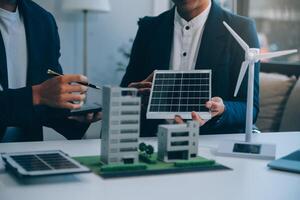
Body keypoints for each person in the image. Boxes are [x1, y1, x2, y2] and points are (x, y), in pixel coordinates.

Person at [121, 0, 260, 137]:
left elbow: (249, 107)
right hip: (153, 141)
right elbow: (126, 92)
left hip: (211, 142)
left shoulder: (242, 28)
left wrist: (223, 110)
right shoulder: (149, 28)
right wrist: (133, 95)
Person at [0, 0, 101, 142]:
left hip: (28, 152)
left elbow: (46, 105)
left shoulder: (43, 20)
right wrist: (37, 94)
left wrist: (74, 114)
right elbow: (39, 96)